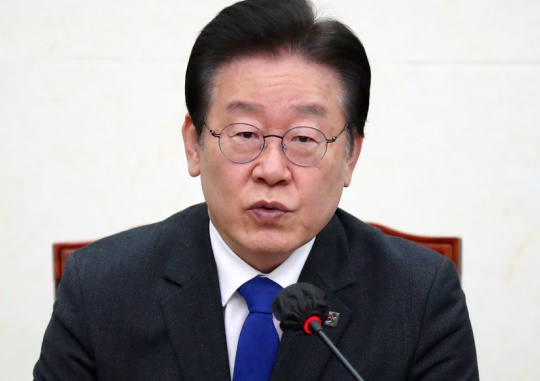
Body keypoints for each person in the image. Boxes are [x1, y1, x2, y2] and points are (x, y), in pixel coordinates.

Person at [34, 0, 479, 380]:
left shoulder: (418, 297)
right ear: (194, 145)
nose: (272, 170)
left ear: (350, 156)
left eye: (304, 139)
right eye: (245, 134)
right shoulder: (100, 288)